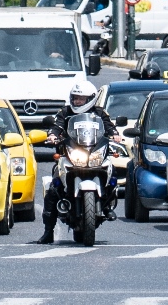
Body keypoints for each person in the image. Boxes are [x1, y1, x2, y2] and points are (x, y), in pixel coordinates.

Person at [37, 79, 117, 244]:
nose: (76, 101)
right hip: (70, 155)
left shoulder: (99, 113)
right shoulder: (65, 112)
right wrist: (52, 135)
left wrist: (116, 134)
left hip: (94, 153)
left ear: (90, 99)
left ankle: (108, 203)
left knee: (113, 175)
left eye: (80, 98)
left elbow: (109, 127)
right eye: (75, 98)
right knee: (53, 188)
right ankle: (48, 231)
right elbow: (57, 126)